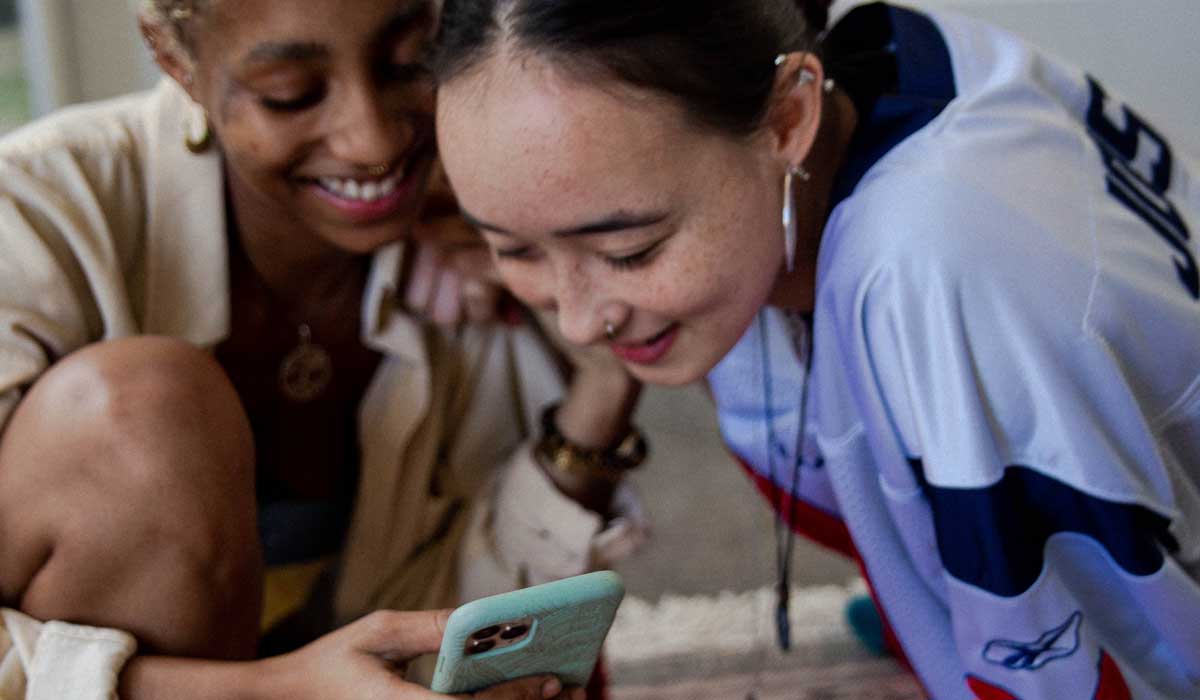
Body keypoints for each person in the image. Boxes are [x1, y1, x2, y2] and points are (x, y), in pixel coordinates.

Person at [431, 0, 1200, 698]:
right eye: (512, 247)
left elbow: (1078, 669)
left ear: (787, 117)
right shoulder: (869, 60)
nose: (576, 320)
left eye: (628, 251)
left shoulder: (935, 274)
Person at [0, 0, 646, 697]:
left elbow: (478, 628)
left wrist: (601, 381)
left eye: (413, 62)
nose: (373, 141)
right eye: (291, 94)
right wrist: (271, 691)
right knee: (144, 410)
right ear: (173, 58)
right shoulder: (33, 216)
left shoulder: (483, 232)